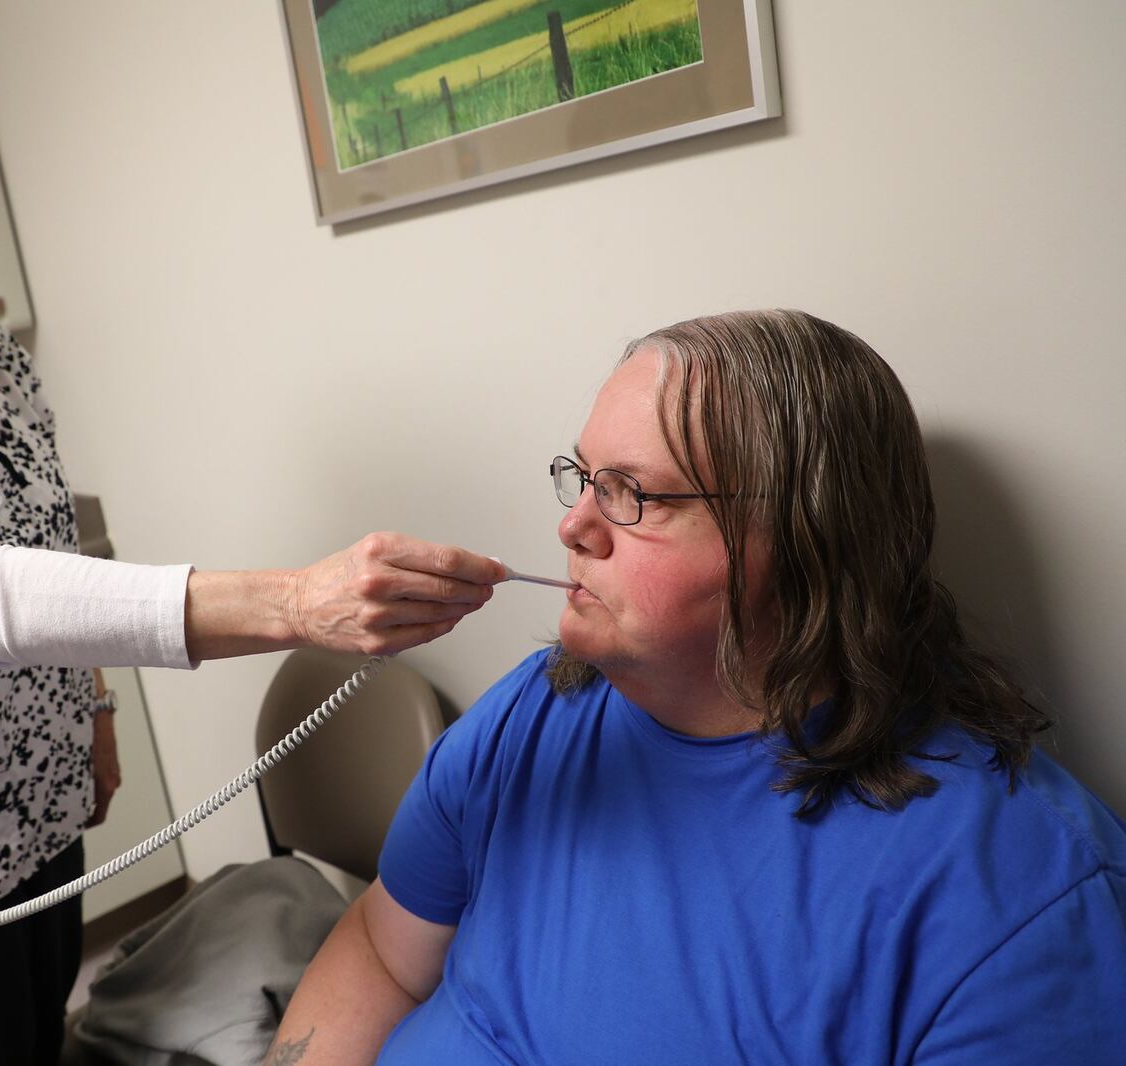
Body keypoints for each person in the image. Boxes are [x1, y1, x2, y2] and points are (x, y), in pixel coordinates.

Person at [0, 29, 503, 1065]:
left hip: (30, 800)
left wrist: (93, 705)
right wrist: (297, 603)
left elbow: (39, 535)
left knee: (37, 1036)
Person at [271, 310, 1126, 1064]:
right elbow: (383, 953)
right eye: (584, 477)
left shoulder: (1019, 893)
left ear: (807, 543)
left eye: (631, 494)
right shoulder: (538, 707)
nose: (573, 527)